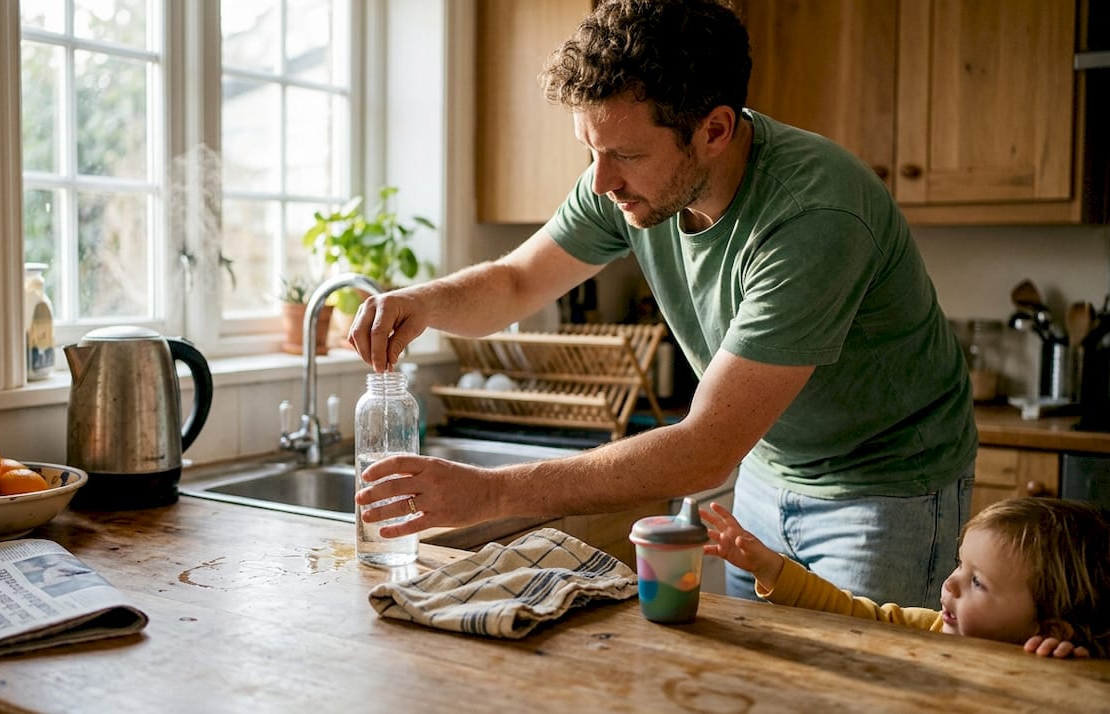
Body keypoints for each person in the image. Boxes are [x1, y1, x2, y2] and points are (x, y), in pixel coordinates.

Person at [349, 0, 976, 608]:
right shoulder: (625, 181)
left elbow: (704, 448)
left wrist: (491, 495)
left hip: (887, 489)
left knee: (861, 692)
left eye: (624, 155)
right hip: (764, 472)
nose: (600, 181)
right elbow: (516, 282)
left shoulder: (814, 215)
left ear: (714, 130)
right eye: (590, 151)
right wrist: (422, 302)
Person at [702, 497, 1110, 659]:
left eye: (978, 583)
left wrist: (1060, 676)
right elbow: (847, 615)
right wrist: (771, 568)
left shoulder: (1058, 665)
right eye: (959, 566)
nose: (949, 586)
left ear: (1049, 628)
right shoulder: (929, 629)